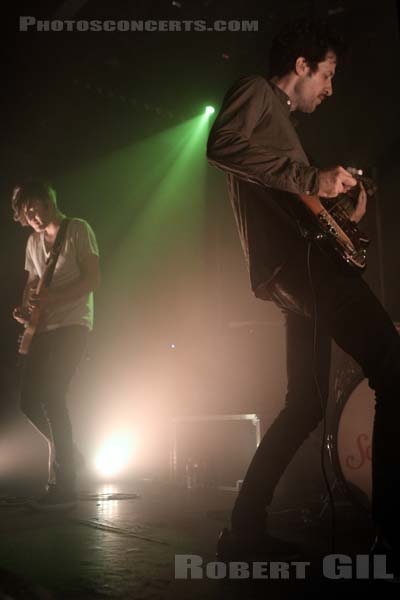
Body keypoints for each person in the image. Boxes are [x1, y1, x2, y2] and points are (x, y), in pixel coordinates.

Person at [207, 19, 400, 565]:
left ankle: (243, 529)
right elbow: (222, 144)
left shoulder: (281, 125)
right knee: (393, 368)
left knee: (307, 403)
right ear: (302, 67)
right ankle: (390, 536)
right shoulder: (256, 92)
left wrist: (341, 209)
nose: (331, 88)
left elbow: (287, 194)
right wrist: (315, 180)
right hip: (302, 268)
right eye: (328, 73)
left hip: (296, 268)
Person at [12, 179, 100, 510]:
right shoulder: (33, 243)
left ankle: (65, 482)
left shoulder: (77, 229)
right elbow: (33, 282)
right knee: (28, 401)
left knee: (52, 395)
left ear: (48, 200)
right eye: (24, 212)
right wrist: (26, 309)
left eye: (33, 207)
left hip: (73, 325)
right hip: (43, 329)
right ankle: (70, 453)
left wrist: (56, 298)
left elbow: (94, 280)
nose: (31, 215)